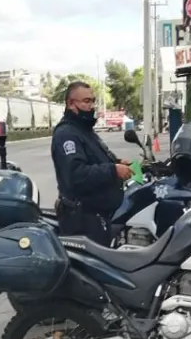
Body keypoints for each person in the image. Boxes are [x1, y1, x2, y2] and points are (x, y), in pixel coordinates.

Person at [51, 81, 133, 246]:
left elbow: (94, 159)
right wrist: (113, 170)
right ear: (71, 104)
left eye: (92, 101)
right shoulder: (66, 134)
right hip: (83, 220)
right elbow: (76, 174)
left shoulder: (83, 130)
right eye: (87, 101)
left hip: (97, 216)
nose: (92, 106)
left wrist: (116, 162)